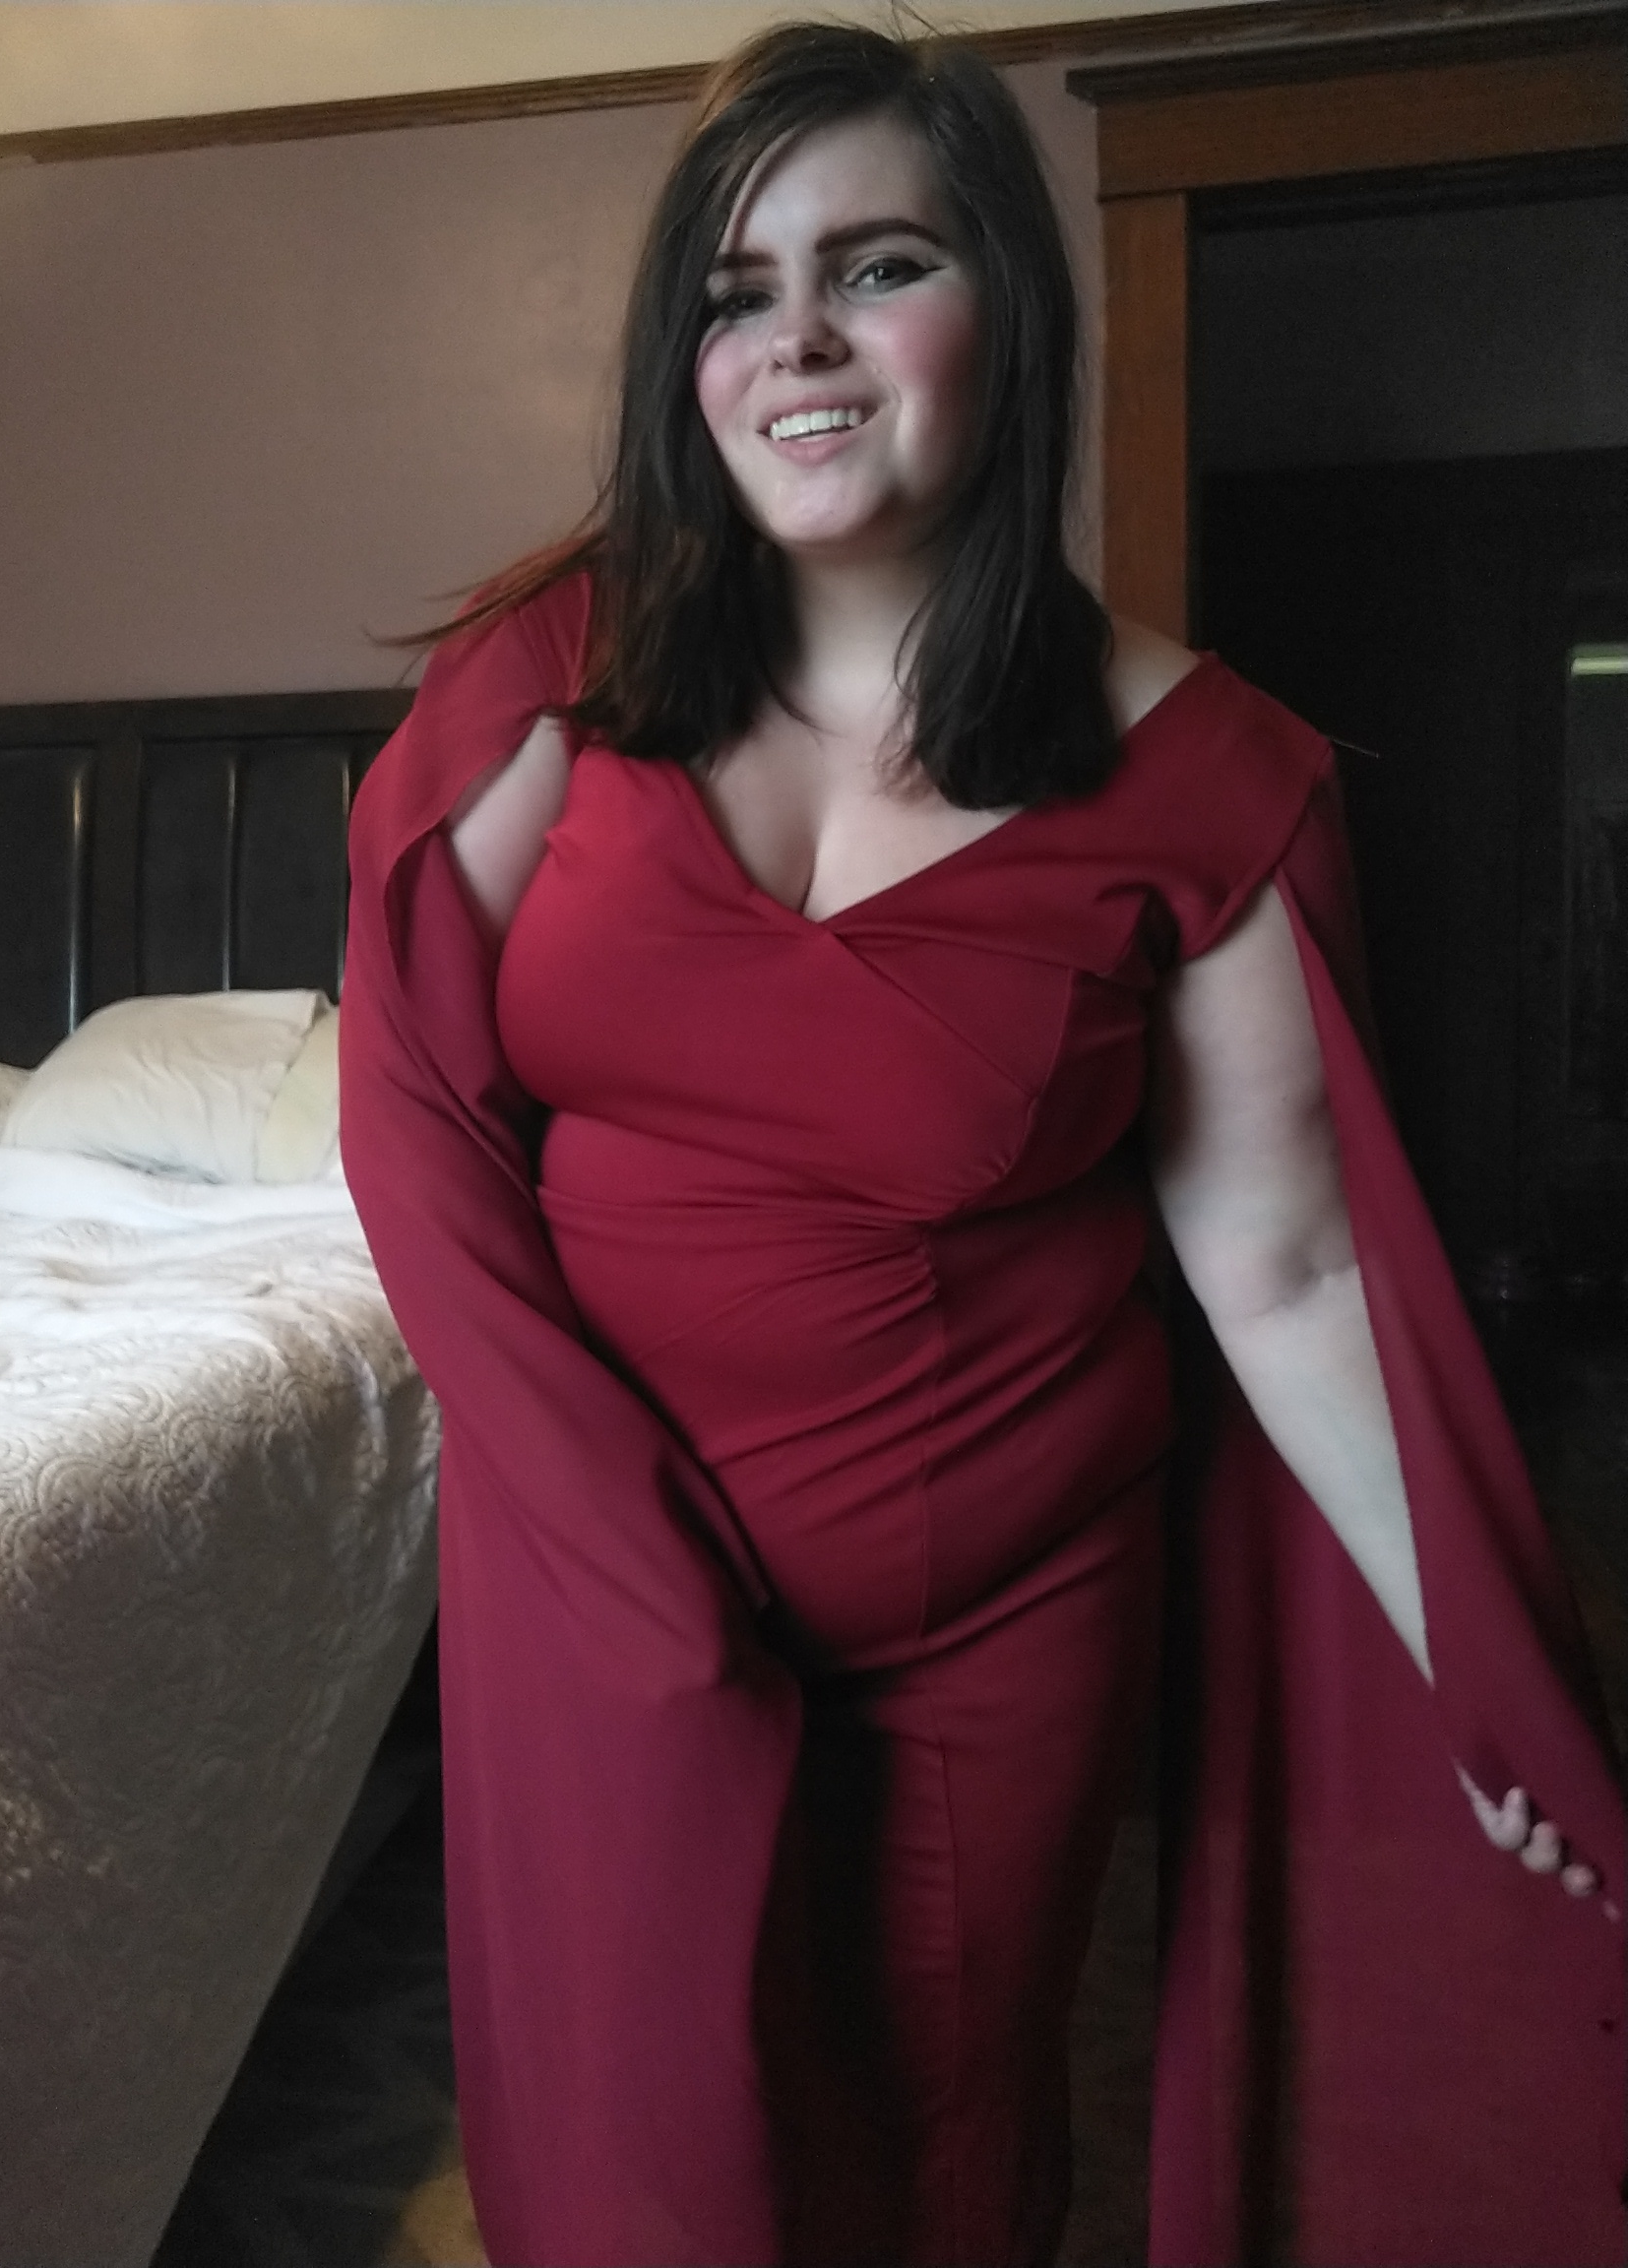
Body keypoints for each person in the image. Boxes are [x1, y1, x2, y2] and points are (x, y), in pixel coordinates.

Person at [339, 24, 1625, 2267]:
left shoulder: (1203, 773)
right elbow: (419, 1119)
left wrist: (1473, 1653)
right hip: (592, 1612)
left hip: (989, 1635)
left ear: (1005, 307)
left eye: (879, 265)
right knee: (636, 2173)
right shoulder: (559, 671)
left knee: (932, 2167)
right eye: (738, 293)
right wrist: (613, 1545)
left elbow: (1290, 1270)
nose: (799, 342)